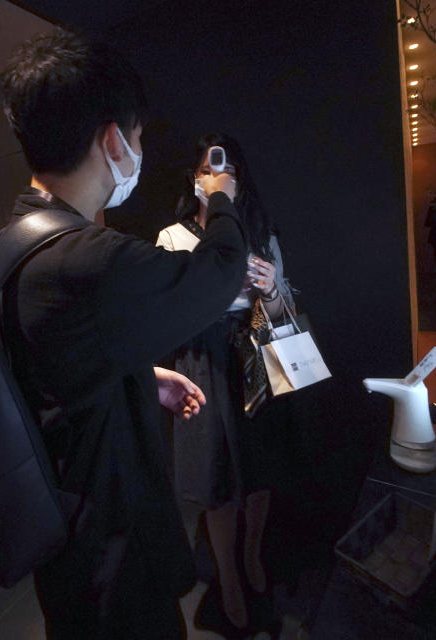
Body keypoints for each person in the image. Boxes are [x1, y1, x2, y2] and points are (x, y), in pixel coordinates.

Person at [0, 29, 248, 639]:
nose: (139, 148)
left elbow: (57, 370)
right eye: (137, 136)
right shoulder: (87, 260)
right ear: (112, 139)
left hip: (70, 546)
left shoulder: (15, 242)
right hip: (112, 558)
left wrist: (142, 375)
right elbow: (216, 275)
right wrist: (221, 201)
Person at [156, 134, 295, 634]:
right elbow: (167, 318)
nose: (216, 176)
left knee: (259, 469)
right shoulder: (173, 238)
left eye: (226, 167)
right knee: (218, 478)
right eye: (207, 168)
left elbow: (284, 314)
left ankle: (253, 556)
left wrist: (271, 287)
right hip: (202, 358)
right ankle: (229, 577)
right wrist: (216, 289)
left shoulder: (260, 232)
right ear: (194, 178)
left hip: (255, 355)